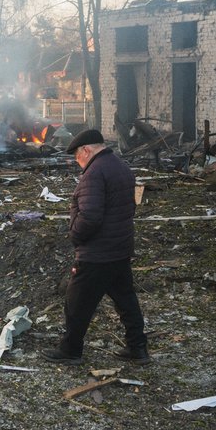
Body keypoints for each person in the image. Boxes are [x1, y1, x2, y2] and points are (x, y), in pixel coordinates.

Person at [42, 129, 150, 366]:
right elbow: (128, 208)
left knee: (76, 302)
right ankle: (137, 347)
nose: (78, 163)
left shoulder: (94, 173)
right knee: (126, 301)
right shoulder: (121, 167)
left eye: (77, 157)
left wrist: (76, 236)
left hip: (97, 253)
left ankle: (70, 350)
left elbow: (90, 217)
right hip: (119, 248)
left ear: (86, 150)